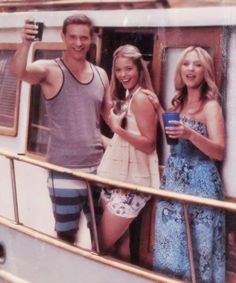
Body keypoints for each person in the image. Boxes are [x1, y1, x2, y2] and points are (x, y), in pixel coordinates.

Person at [10, 14, 112, 244]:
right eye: (73, 37)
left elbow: (108, 117)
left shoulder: (101, 75)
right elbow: (20, 73)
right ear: (63, 37)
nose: (78, 43)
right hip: (63, 170)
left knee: (102, 238)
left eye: (84, 37)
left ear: (92, 38)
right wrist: (26, 43)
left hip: (98, 170)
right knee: (66, 236)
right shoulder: (50, 69)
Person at [150, 46, 225, 282]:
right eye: (186, 63)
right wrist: (159, 110)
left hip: (201, 184)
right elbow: (174, 141)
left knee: (198, 249)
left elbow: (219, 152)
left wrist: (191, 134)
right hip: (173, 182)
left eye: (197, 64)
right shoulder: (176, 106)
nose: (190, 69)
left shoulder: (210, 106)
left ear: (206, 72)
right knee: (170, 246)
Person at [97, 44, 160, 261]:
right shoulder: (128, 95)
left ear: (139, 69)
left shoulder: (142, 98)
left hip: (131, 185)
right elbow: (125, 143)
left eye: (128, 69)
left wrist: (117, 129)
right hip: (119, 180)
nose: (123, 75)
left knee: (100, 245)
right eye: (118, 70)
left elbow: (148, 144)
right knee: (121, 247)